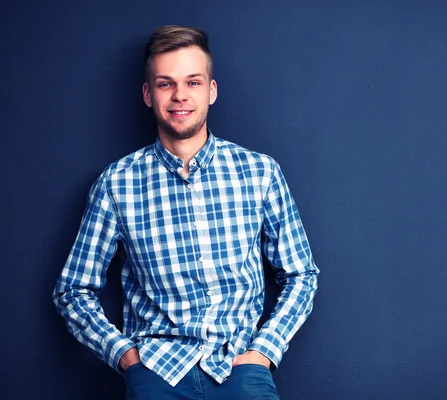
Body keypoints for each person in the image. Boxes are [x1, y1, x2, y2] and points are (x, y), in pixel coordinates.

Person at [53, 25, 319, 400]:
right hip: (156, 374)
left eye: (193, 82)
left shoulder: (260, 172)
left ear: (211, 90)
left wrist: (264, 353)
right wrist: (126, 357)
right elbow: (73, 289)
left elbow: (301, 274)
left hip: (240, 374)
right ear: (148, 94)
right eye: (166, 84)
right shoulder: (117, 183)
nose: (180, 96)